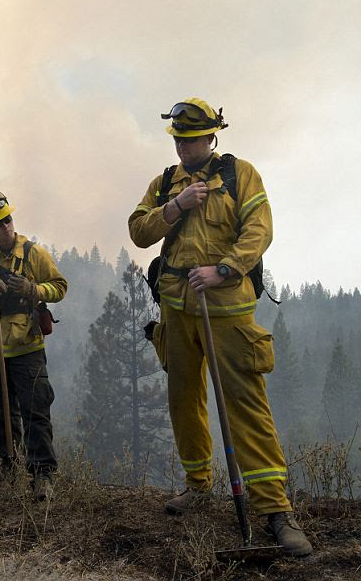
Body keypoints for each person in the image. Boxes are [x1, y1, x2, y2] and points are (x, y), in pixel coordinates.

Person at [128, 98, 312, 556]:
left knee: (245, 406)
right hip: (175, 309)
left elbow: (260, 229)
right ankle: (198, 484)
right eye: (178, 140)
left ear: (212, 135)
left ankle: (274, 510)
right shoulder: (166, 183)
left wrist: (225, 270)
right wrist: (174, 207)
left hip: (227, 311)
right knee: (183, 400)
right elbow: (138, 231)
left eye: (191, 139)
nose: (183, 148)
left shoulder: (240, 174)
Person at [0, 190, 68, 501]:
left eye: (8, 220)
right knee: (2, 410)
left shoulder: (34, 254)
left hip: (27, 348)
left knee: (36, 410)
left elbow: (60, 287)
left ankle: (42, 475)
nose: (6, 227)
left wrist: (33, 288)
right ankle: (9, 465)